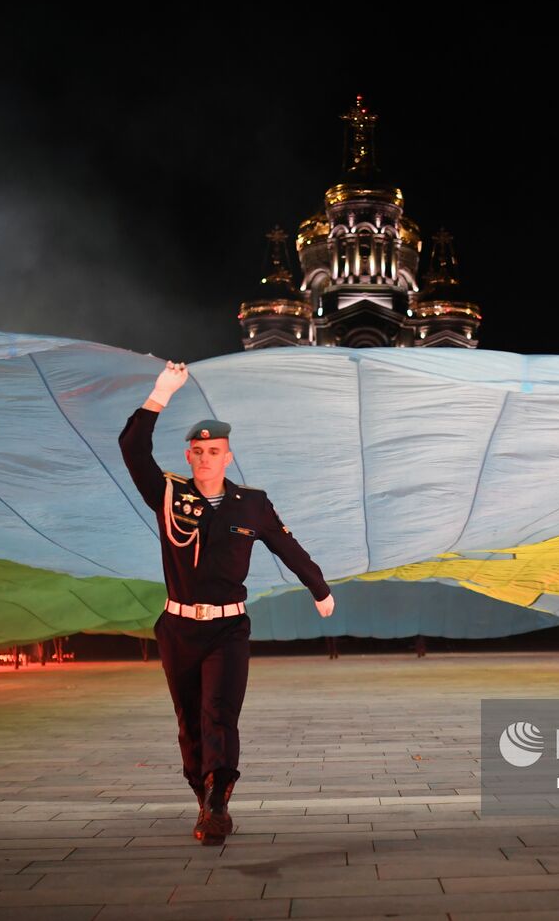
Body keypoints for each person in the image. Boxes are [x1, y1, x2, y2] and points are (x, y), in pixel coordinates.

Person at [119, 361, 335, 845]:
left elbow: (287, 546)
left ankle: (218, 804)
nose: (205, 459)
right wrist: (161, 392)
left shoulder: (251, 504)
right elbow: (132, 449)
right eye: (198, 452)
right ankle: (203, 793)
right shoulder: (170, 494)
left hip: (228, 629)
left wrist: (318, 587)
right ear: (189, 455)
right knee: (190, 719)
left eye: (214, 451)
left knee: (219, 711)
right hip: (178, 629)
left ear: (228, 456)